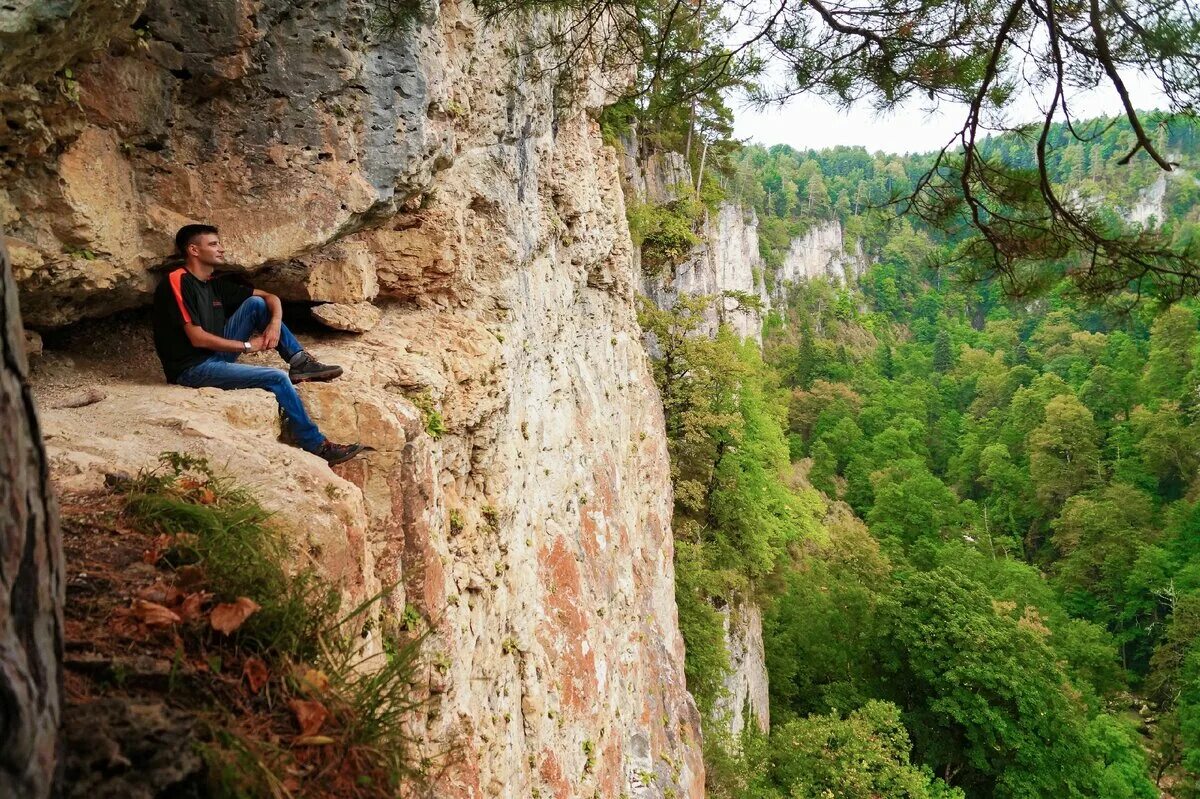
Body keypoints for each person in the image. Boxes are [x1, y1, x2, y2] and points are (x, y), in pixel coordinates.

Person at [151, 223, 364, 465]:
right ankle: (316, 444)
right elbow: (196, 338)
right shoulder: (178, 281)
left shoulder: (213, 283)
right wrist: (248, 346)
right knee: (276, 377)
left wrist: (274, 322)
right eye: (213, 244)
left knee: (257, 305)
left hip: (214, 356)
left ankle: (299, 361)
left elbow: (270, 297)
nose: (221, 249)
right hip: (191, 368)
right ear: (194, 250)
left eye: (219, 243)